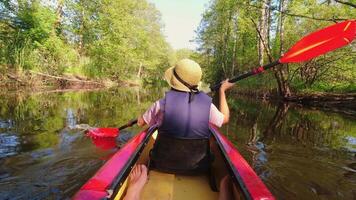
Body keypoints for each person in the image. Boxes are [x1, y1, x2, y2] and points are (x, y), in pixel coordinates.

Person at [124, 59, 235, 199]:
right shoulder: (208, 105)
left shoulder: (160, 104)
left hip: (161, 163)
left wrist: (138, 118)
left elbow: (141, 122)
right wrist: (222, 91)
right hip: (199, 168)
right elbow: (224, 119)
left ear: (174, 81)